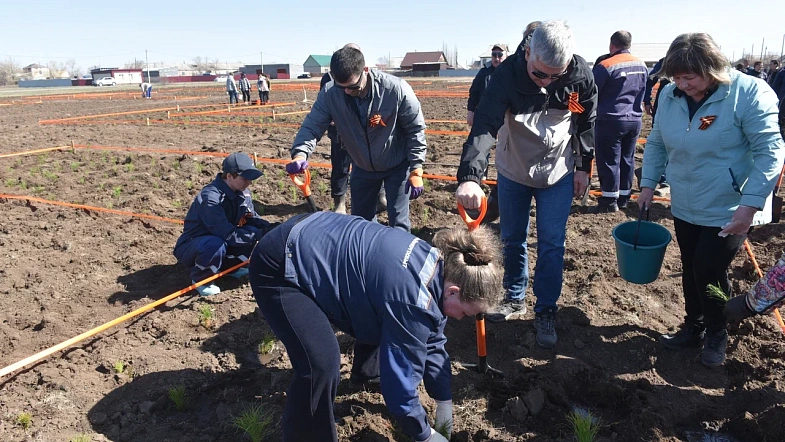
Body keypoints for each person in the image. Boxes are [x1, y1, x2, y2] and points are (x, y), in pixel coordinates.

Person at [249, 211, 503, 442]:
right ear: (454, 291)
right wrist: (424, 435)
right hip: (281, 262)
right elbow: (400, 389)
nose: (462, 318)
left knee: (381, 308)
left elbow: (433, 342)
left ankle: (366, 373)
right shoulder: (413, 301)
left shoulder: (439, 266)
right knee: (320, 365)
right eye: (467, 313)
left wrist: (444, 400)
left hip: (315, 232)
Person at [638, 33, 785, 368]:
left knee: (709, 268)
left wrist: (750, 204)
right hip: (687, 199)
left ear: (712, 68)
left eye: (689, 77)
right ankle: (694, 325)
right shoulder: (671, 97)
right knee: (691, 266)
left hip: (730, 206)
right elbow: (658, 142)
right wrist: (648, 184)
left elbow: (770, 151)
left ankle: (717, 331)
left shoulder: (748, 93)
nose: (682, 84)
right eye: (675, 77)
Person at [455, 20, 598, 348]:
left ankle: (546, 309)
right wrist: (470, 178)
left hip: (557, 173)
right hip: (514, 169)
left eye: (555, 75)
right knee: (513, 238)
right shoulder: (504, 76)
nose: (548, 81)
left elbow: (586, 121)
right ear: (528, 52)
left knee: (551, 243)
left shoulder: (579, 76)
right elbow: (485, 126)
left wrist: (583, 166)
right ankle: (514, 296)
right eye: (540, 74)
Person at [286, 46, 427, 232]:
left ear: (365, 71)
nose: (346, 92)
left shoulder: (396, 90)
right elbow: (312, 126)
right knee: (361, 225)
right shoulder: (330, 93)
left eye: (352, 87)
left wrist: (416, 169)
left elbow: (415, 129)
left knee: (399, 225)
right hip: (362, 167)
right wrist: (300, 154)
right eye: (340, 86)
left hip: (397, 167)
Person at [173, 152, 274, 297]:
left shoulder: (243, 193)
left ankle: (231, 268)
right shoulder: (211, 199)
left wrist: (270, 228)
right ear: (229, 176)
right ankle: (202, 280)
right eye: (245, 178)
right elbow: (227, 234)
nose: (249, 183)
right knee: (216, 243)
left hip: (220, 241)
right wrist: (258, 234)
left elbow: (251, 217)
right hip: (194, 245)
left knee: (250, 230)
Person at [591, 30, 648, 213]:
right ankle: (624, 197)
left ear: (611, 45)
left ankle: (609, 200)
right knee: (627, 159)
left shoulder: (606, 65)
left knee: (609, 160)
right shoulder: (642, 65)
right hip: (634, 119)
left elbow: (591, 92)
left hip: (610, 119)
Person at [466, 43, 508, 224]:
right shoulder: (484, 73)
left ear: (506, 55)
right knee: (481, 148)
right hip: (486, 117)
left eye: (500, 54)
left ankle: (503, 183)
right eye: (494, 55)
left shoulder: (510, 73)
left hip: (506, 119)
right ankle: (479, 176)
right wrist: (471, 111)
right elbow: (474, 92)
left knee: (506, 150)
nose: (497, 58)